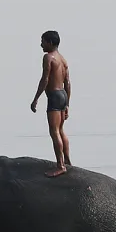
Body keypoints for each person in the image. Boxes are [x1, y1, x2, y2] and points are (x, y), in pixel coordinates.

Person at [30, 30, 71, 177]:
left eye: (43, 41)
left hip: (54, 96)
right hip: (62, 95)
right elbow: (67, 82)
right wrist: (67, 104)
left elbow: (45, 80)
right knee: (60, 130)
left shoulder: (48, 58)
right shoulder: (63, 59)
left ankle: (61, 166)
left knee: (54, 131)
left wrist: (36, 98)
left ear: (51, 42)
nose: (41, 44)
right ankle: (67, 161)